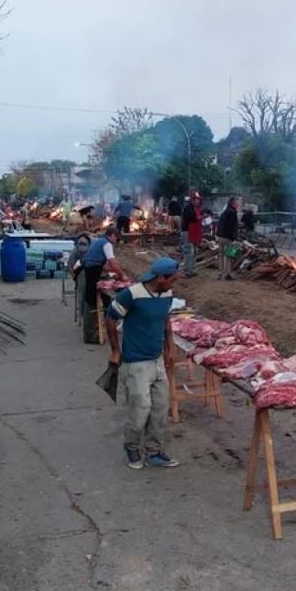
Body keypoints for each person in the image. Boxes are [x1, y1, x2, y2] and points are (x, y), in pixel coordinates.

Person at [104, 258, 181, 470]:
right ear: (160, 278)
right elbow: (110, 318)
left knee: (159, 408)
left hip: (156, 361)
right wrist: (115, 350)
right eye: (172, 279)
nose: (175, 283)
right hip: (136, 362)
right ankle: (131, 447)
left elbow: (165, 320)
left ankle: (154, 451)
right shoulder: (132, 294)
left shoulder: (166, 294)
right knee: (140, 409)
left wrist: (169, 347)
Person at [81, 227, 127, 313]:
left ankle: (93, 308)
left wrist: (114, 272)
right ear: (112, 235)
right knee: (96, 290)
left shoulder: (99, 240)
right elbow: (112, 262)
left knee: (91, 288)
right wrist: (122, 275)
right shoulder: (107, 244)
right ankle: (98, 312)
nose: (116, 240)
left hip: (89, 266)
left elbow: (103, 264)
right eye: (116, 237)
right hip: (93, 268)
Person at [217, 196, 241, 280]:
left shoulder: (225, 212)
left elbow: (220, 224)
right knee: (229, 256)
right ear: (233, 204)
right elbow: (233, 227)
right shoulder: (232, 213)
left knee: (221, 255)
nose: (238, 204)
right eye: (237, 203)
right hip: (228, 238)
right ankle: (227, 274)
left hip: (221, 237)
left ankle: (220, 273)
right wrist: (234, 237)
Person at [182, 192, 203, 277]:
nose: (198, 201)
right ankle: (186, 271)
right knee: (188, 251)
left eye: (199, 200)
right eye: (197, 199)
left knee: (194, 252)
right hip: (187, 231)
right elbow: (191, 218)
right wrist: (199, 217)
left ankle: (192, 269)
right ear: (193, 200)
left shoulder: (196, 208)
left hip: (194, 232)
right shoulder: (188, 208)